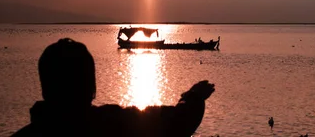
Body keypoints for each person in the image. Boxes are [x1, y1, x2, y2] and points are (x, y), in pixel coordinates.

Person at [11, 38, 215, 137]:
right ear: (91, 86)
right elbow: (176, 124)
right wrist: (194, 96)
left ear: (45, 86)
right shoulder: (112, 123)